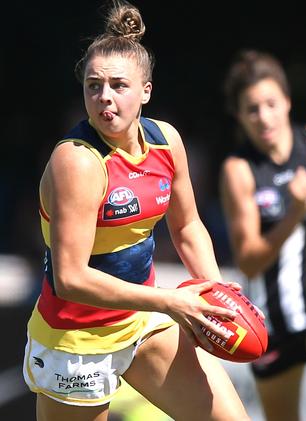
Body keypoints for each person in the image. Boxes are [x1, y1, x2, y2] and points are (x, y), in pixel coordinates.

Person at [22, 1, 251, 420]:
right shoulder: (77, 161)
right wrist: (171, 302)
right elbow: (70, 278)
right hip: (77, 340)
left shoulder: (165, 141)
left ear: (146, 90)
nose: (104, 97)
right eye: (93, 85)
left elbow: (187, 227)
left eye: (118, 85)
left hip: (142, 320)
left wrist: (219, 296)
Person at [220, 49, 306, 421]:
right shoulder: (239, 170)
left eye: (271, 104)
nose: (264, 117)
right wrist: (294, 212)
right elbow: (248, 259)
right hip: (273, 323)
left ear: (288, 101)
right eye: (252, 108)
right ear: (239, 116)